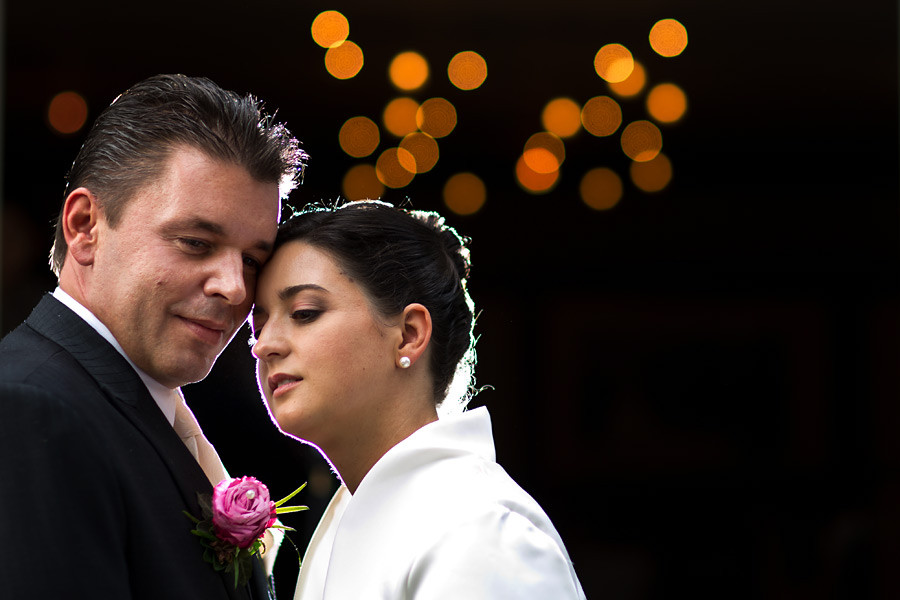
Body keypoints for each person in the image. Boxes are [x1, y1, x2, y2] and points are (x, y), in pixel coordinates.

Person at [0, 74, 306, 599]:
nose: (235, 288)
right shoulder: (29, 410)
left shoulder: (138, 410)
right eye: (195, 242)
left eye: (253, 261)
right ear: (84, 227)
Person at [251, 200, 587, 599]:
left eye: (304, 312)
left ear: (409, 334)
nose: (263, 345)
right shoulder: (348, 518)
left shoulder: (477, 530)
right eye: (259, 323)